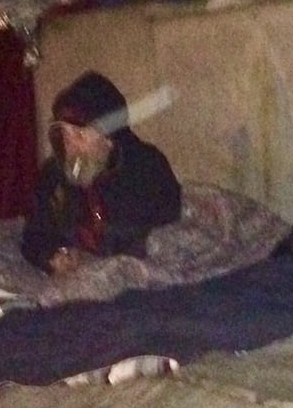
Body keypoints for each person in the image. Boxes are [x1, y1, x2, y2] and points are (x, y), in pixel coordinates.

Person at [20, 71, 182, 276]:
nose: (71, 146)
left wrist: (88, 248)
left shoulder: (147, 166)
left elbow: (159, 232)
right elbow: (34, 233)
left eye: (79, 134)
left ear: (108, 137)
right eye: (64, 134)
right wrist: (52, 256)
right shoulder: (55, 175)